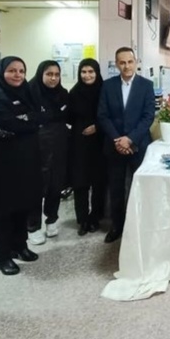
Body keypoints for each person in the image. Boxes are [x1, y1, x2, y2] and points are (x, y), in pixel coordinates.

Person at [0, 56, 43, 276]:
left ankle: (19, 246)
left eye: (21, 71)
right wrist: (25, 120)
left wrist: (21, 121)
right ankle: (2, 256)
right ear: (1, 73)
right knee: (4, 209)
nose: (17, 75)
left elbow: (38, 118)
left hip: (27, 157)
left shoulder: (28, 92)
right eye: (12, 70)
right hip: (3, 161)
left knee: (23, 204)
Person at [97, 47, 155, 243]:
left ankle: (140, 225)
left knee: (140, 187)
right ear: (116, 64)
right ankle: (117, 226)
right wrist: (118, 139)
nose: (126, 66)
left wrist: (130, 139)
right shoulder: (108, 86)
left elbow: (148, 117)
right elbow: (103, 116)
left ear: (136, 62)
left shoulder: (146, 85)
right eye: (122, 62)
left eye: (130, 62)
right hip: (114, 145)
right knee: (116, 188)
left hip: (138, 144)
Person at [27, 61, 70, 243]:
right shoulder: (29, 93)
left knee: (55, 184)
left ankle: (51, 219)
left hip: (59, 144)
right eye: (49, 74)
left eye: (56, 75)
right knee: (36, 186)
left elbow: (67, 117)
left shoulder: (63, 94)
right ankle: (33, 226)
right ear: (41, 74)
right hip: (37, 147)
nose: (53, 78)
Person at [68, 58, 108, 236]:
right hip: (79, 143)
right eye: (83, 72)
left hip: (100, 141)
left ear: (97, 72)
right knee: (80, 182)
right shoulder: (74, 92)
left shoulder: (105, 90)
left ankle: (96, 216)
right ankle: (83, 219)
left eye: (91, 71)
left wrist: (97, 127)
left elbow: (111, 114)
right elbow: (69, 116)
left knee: (99, 182)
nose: (87, 75)